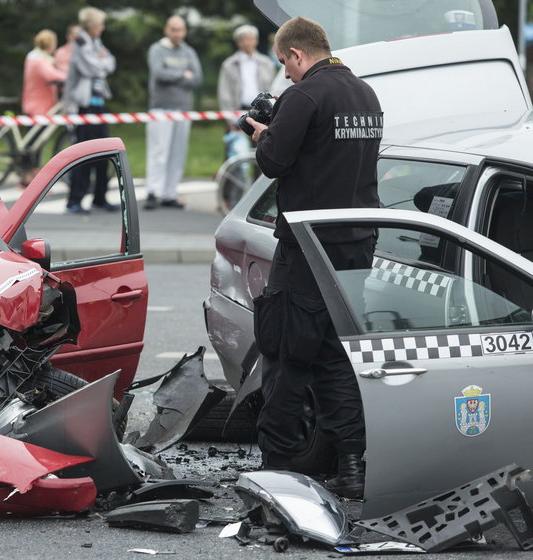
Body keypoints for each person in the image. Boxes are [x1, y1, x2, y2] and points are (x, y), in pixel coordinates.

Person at [243, 17, 383, 499]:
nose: (284, 74)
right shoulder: (366, 95)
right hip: (358, 245)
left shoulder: (303, 97)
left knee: (285, 351)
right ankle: (351, 467)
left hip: (307, 245)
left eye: (284, 63)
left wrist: (262, 133)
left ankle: (276, 472)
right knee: (337, 354)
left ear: (298, 54)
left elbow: (275, 163)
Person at [144, 15, 202, 210]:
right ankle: (152, 191)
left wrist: (176, 76)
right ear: (166, 30)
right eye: (174, 30)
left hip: (183, 109)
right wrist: (182, 74)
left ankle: (169, 193)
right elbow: (159, 74)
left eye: (181, 30)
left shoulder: (189, 51)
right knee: (159, 152)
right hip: (161, 108)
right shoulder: (157, 49)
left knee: (178, 153)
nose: (178, 34)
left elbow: (197, 78)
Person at [62, 6, 117, 214]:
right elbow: (91, 68)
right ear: (92, 25)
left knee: (104, 152)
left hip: (99, 102)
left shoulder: (96, 42)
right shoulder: (81, 41)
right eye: (100, 24)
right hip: (84, 105)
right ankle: (74, 200)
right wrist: (102, 61)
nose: (103, 28)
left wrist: (102, 61)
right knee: (84, 154)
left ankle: (100, 197)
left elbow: (112, 63)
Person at [218, 25, 276, 160]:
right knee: (236, 156)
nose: (247, 43)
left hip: (262, 112)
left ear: (256, 41)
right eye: (243, 40)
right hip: (239, 113)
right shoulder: (229, 64)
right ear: (238, 42)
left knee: (263, 153)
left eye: (250, 39)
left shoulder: (266, 63)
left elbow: (273, 88)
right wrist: (231, 121)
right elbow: (224, 94)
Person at [22, 30, 67, 116]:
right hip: (39, 106)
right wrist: (70, 76)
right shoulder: (39, 60)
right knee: (40, 129)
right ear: (51, 44)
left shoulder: (33, 56)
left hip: (33, 102)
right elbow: (52, 75)